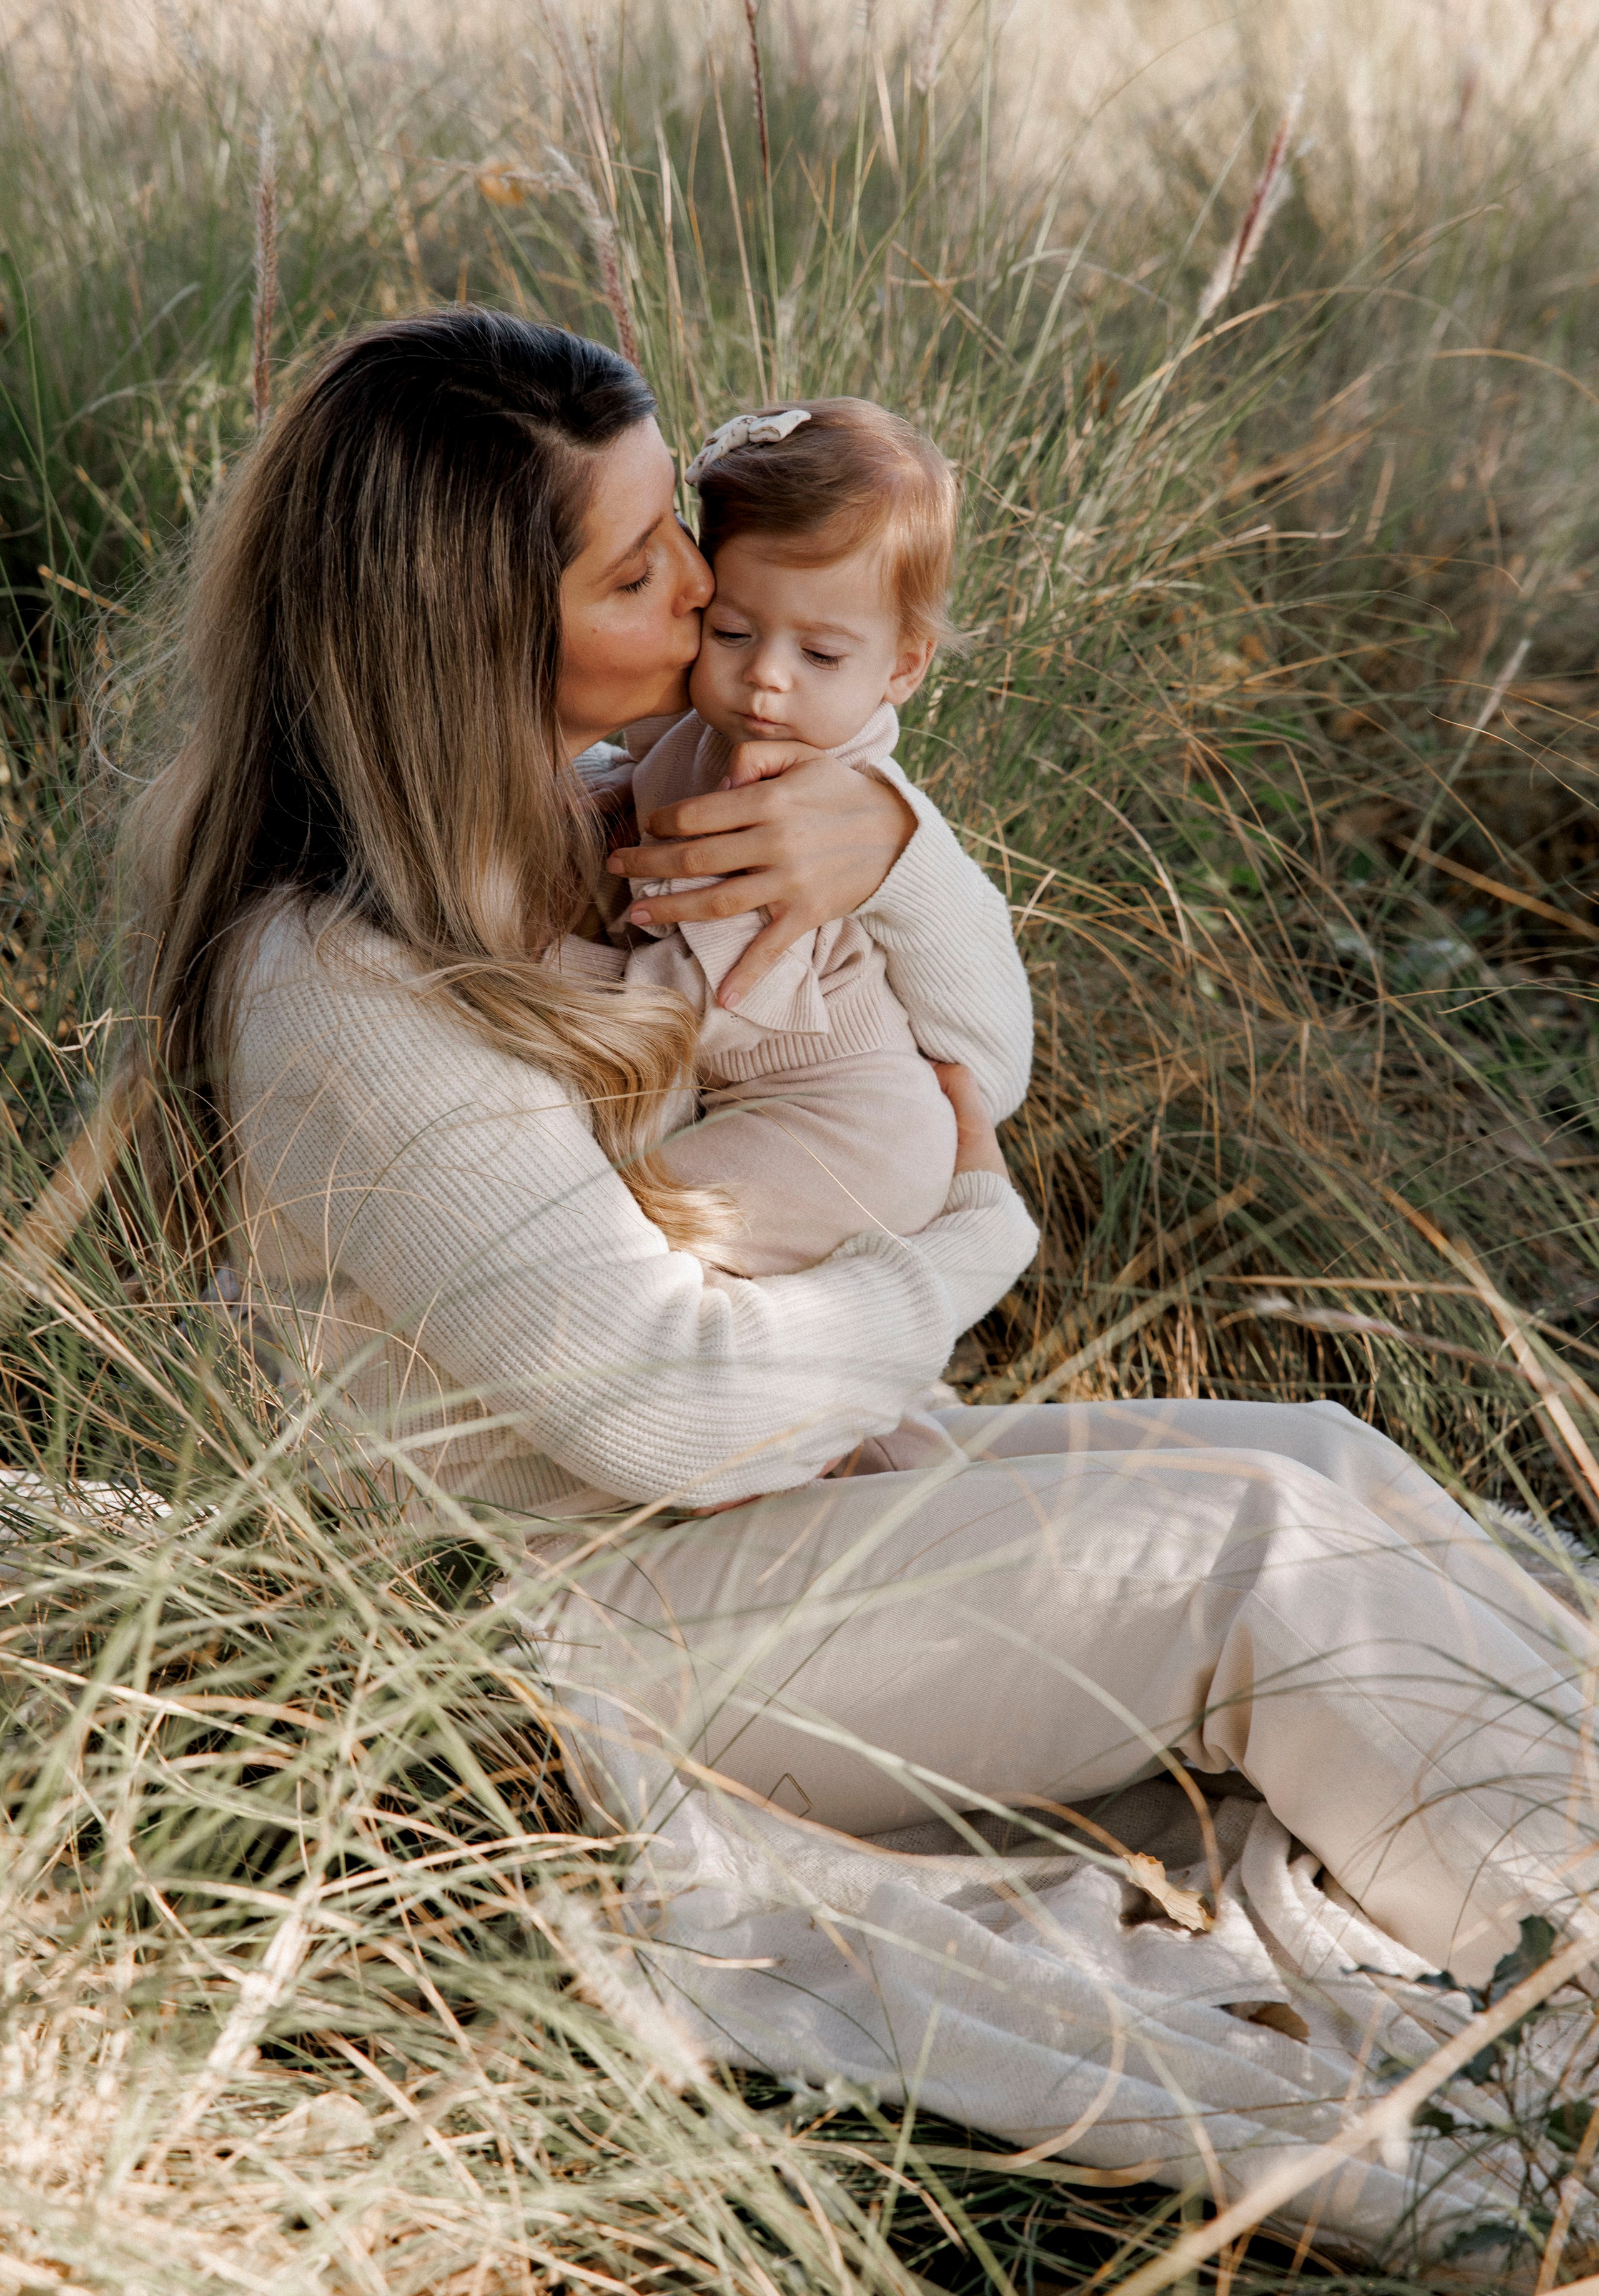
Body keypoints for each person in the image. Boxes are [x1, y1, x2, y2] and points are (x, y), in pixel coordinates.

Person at [116, 308, 1599, 1995]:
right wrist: (968, 1242)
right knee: (1260, 1557)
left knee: (1328, 1463)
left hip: (734, 1523)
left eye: (676, 525)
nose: (701, 583)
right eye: (635, 571)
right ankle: (1569, 1976)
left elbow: (973, 1039)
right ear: (472, 635)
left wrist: (895, 841)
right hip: (551, 1638)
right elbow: (668, 1408)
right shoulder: (342, 986)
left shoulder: (578, 805)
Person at [613, 397, 964, 1276]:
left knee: (619, 1222)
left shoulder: (795, 802)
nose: (765, 675)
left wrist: (559, 977)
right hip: (775, 1100)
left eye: (821, 655)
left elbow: (712, 999)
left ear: (904, 665)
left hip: (850, 1129)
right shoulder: (712, 727)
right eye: (732, 632)